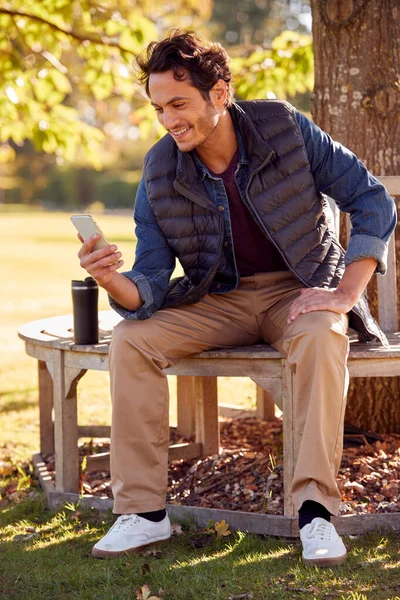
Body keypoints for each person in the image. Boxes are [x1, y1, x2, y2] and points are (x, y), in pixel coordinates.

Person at [77, 31, 396, 566]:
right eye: (158, 108)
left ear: (220, 94)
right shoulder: (159, 169)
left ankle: (316, 513)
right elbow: (151, 279)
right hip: (218, 298)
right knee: (131, 339)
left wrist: (343, 294)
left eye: (178, 104)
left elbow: (370, 200)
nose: (168, 119)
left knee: (321, 336)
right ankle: (143, 515)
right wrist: (110, 279)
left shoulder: (285, 128)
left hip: (300, 290)